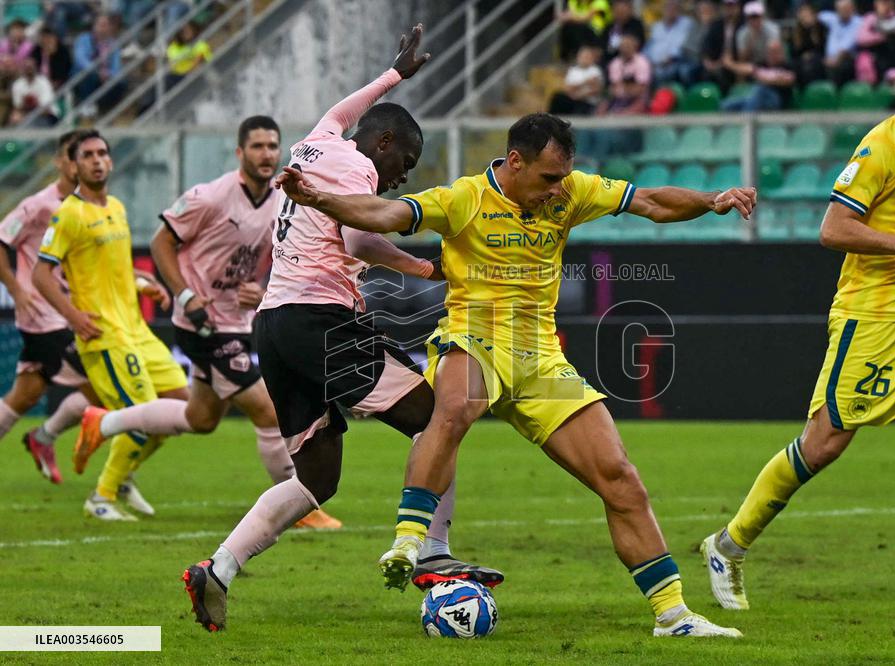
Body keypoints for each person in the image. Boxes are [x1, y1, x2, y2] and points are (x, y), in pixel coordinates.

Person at [274, 112, 757, 638]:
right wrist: (320, 199)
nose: (557, 190)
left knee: (620, 478)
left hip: (541, 359)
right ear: (515, 161)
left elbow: (651, 201)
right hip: (474, 340)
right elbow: (383, 213)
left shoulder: (572, 191)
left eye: (563, 178)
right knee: (452, 409)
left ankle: (673, 615)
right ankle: (411, 542)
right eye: (548, 178)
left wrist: (711, 201)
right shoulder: (463, 198)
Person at [180, 25, 503, 633]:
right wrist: (426, 265)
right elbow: (357, 236)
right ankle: (433, 554)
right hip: (320, 320)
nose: (402, 178)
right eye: (404, 163)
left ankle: (217, 568)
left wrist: (395, 75)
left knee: (317, 478)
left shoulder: (318, 143)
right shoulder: (356, 167)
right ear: (382, 143)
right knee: (438, 418)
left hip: (274, 328)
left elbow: (339, 110)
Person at [703, 44, 895, 610]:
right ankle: (728, 544)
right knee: (824, 444)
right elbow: (833, 228)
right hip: (873, 317)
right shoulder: (880, 148)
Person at [73, 116, 341, 529]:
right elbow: (163, 241)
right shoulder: (210, 197)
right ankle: (302, 506)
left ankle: (102, 422)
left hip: (234, 322)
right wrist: (184, 294)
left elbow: (269, 264)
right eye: (257, 146)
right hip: (201, 323)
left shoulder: (278, 201)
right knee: (267, 411)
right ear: (239, 153)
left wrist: (262, 288)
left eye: (273, 145)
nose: (267, 153)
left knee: (200, 418)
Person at [33, 129, 189, 521]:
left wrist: (144, 283)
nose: (98, 160)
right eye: (88, 155)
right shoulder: (68, 213)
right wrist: (72, 316)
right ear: (74, 165)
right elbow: (40, 275)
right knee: (140, 415)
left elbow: (112, 272)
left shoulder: (116, 207)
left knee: (182, 409)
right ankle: (101, 497)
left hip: (137, 329)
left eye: (103, 153)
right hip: (104, 335)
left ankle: (122, 475)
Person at [0, 131, 97, 484]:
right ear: (61, 161)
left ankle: (42, 437)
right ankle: (114, 481)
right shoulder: (38, 204)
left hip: (71, 310)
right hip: (44, 316)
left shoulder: (90, 206)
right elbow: (1, 239)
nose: (82, 163)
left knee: (25, 394)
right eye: (76, 156)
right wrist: (16, 289)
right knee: (104, 389)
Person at [71, 13, 125, 115]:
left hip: (105, 76)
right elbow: (80, 59)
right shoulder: (84, 39)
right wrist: (97, 72)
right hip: (87, 73)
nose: (104, 28)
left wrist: (109, 74)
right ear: (94, 26)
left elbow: (116, 66)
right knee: (87, 76)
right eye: (101, 25)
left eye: (106, 25)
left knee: (121, 84)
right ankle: (87, 105)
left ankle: (106, 109)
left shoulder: (113, 44)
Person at [721, 40, 796, 111]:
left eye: (775, 52)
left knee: (760, 89)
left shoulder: (787, 66)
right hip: (758, 99)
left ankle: (746, 120)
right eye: (770, 51)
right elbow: (748, 69)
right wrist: (730, 64)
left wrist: (765, 79)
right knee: (727, 105)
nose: (772, 54)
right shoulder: (763, 64)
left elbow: (789, 80)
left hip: (777, 101)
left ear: (781, 52)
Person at [643, 0, 696, 85]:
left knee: (680, 70)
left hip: (676, 63)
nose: (671, 10)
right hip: (655, 66)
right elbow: (648, 48)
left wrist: (671, 58)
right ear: (663, 9)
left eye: (674, 7)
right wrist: (648, 62)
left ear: (679, 10)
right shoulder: (657, 26)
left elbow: (686, 47)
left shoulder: (687, 24)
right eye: (668, 7)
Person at [549, 44, 604, 116]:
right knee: (557, 97)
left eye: (587, 57)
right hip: (572, 98)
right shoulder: (573, 70)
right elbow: (568, 88)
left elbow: (596, 90)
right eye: (583, 56)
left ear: (591, 58)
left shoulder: (595, 71)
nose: (584, 59)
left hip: (587, 101)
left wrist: (579, 95)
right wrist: (585, 82)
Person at [820, 0, 863, 87]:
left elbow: (849, 45)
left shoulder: (859, 22)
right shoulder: (832, 19)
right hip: (829, 58)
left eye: (846, 8)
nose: (843, 11)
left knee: (841, 68)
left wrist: (837, 59)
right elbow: (816, 15)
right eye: (840, 9)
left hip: (848, 58)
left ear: (853, 9)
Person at [8, 59, 58, 126]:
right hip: (26, 114)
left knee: (29, 124)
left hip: (47, 116)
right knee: (14, 119)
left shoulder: (44, 82)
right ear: (23, 69)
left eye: (31, 67)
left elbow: (46, 109)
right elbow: (17, 107)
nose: (29, 70)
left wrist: (32, 102)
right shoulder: (17, 84)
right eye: (27, 68)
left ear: (36, 68)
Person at [791, 3, 830, 87]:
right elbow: (794, 51)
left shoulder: (821, 27)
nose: (805, 17)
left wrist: (813, 30)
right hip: (800, 59)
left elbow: (822, 48)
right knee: (796, 65)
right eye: (803, 14)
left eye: (808, 14)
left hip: (818, 57)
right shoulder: (796, 31)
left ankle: (813, 90)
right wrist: (804, 56)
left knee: (813, 64)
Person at [600, 0, 646, 64]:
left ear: (630, 10)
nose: (620, 13)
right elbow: (602, 45)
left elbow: (638, 43)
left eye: (622, 11)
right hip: (608, 60)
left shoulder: (636, 24)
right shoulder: (609, 26)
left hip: (629, 60)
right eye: (617, 11)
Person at [31, 25, 73, 90]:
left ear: (55, 38)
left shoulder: (62, 52)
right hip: (38, 86)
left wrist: (51, 55)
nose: (45, 41)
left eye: (48, 37)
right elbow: (32, 69)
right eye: (43, 37)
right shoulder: (36, 51)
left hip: (58, 86)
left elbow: (61, 76)